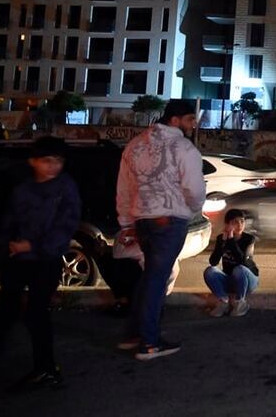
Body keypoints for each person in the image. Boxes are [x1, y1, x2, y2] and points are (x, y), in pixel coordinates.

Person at [0, 137, 81, 396]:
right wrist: (8, 246)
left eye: (58, 162)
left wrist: (32, 246)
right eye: (47, 161)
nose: (52, 167)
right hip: (17, 260)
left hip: (45, 261)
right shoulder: (24, 188)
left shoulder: (65, 188)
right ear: (33, 161)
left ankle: (46, 369)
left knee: (37, 314)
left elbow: (65, 226)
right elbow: (9, 220)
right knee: (3, 315)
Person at [116, 99, 206, 361]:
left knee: (149, 278)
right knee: (157, 280)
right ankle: (149, 343)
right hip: (169, 219)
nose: (194, 125)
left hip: (142, 220)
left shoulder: (134, 145)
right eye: (190, 119)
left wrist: (125, 222)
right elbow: (195, 189)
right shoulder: (182, 146)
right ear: (175, 120)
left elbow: (124, 187)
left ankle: (135, 334)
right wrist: (190, 210)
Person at [204, 209, 260, 318]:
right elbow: (213, 262)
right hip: (230, 279)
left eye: (242, 221)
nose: (240, 225)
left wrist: (230, 240)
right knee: (209, 271)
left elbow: (242, 261)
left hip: (248, 280)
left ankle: (241, 303)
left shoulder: (249, 239)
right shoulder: (221, 238)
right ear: (227, 224)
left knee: (239, 269)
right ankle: (223, 301)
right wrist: (222, 243)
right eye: (235, 222)